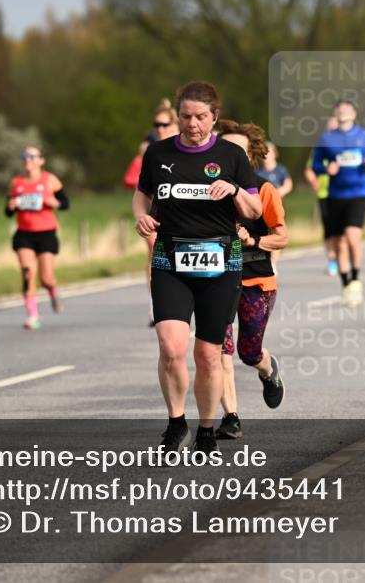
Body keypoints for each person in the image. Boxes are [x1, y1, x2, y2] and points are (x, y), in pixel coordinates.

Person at [133, 81, 264, 454]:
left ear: (215, 117)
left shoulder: (231, 156)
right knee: (170, 346)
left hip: (220, 263)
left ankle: (207, 428)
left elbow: (256, 211)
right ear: (178, 116)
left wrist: (235, 192)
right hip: (170, 260)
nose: (192, 124)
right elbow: (141, 196)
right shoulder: (157, 153)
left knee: (207, 355)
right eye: (186, 116)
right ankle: (176, 424)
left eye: (201, 117)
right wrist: (141, 217)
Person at [215, 120, 287, 440]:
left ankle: (269, 370)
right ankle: (231, 417)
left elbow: (282, 237)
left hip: (256, 280)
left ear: (250, 156)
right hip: (215, 280)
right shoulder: (207, 191)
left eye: (238, 151)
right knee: (219, 350)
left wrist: (253, 241)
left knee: (248, 352)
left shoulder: (264, 189)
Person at [312, 100, 365, 306]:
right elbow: (316, 165)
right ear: (336, 113)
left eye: (347, 108)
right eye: (339, 108)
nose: (343, 110)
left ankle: (355, 278)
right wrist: (326, 169)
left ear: (354, 114)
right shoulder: (327, 138)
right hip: (335, 196)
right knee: (339, 243)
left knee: (353, 238)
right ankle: (345, 282)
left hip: (358, 193)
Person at [127, 100, 180, 326]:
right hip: (154, 213)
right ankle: (155, 303)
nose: (159, 129)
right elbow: (133, 181)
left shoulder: (189, 144)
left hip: (184, 215)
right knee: (154, 251)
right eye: (155, 125)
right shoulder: (150, 149)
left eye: (164, 124)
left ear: (176, 125)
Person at [6, 146, 70, 330]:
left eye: (32, 156)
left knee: (46, 278)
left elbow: (65, 203)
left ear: (41, 160)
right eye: (25, 156)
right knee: (27, 273)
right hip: (24, 234)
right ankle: (33, 316)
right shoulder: (16, 183)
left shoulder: (50, 180)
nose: (28, 159)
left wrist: (54, 202)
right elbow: (8, 211)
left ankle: (52, 291)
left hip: (46, 233)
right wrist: (11, 206)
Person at [304, 116, 339, 276]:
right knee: (330, 229)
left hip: (343, 192)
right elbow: (310, 169)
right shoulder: (320, 148)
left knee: (344, 229)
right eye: (329, 129)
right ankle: (332, 261)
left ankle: (343, 256)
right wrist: (313, 181)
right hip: (324, 193)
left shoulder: (344, 147)